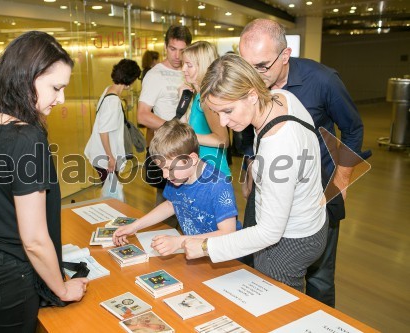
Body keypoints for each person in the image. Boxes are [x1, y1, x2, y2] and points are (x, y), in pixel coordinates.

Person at [0, 31, 88, 332]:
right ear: (27, 77)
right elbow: (34, 239)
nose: (61, 98)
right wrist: (62, 290)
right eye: (56, 87)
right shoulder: (25, 137)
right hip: (4, 271)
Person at [239, 19, 369, 306]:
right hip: (269, 184)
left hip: (318, 190)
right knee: (258, 263)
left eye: (261, 66)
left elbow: (353, 128)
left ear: (285, 56)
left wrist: (342, 180)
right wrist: (247, 174)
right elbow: (248, 132)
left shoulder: (322, 80)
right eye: (246, 66)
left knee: (319, 277)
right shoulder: (248, 81)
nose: (253, 76)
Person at [183, 54, 328, 292]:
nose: (223, 121)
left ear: (251, 95)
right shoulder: (282, 97)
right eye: (217, 112)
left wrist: (206, 247)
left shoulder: (278, 145)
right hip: (313, 222)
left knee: (278, 310)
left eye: (228, 110)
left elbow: (270, 232)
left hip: (289, 243)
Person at [113, 119, 240, 256]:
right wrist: (135, 226)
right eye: (162, 169)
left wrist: (179, 242)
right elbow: (171, 204)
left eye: (169, 168)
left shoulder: (218, 185)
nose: (165, 175)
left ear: (191, 159)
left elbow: (228, 233)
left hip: (223, 257)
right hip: (194, 252)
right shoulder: (177, 176)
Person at [138, 25, 192, 209]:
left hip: (191, 148)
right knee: (167, 206)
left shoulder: (191, 71)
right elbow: (143, 115)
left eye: (182, 50)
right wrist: (174, 130)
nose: (177, 56)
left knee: (190, 205)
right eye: (172, 49)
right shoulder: (155, 75)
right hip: (168, 150)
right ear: (165, 47)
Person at [84, 59, 141, 184]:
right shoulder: (113, 101)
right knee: (112, 194)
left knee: (111, 192)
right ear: (129, 80)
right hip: (105, 157)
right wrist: (110, 157)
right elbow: (103, 131)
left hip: (100, 153)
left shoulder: (108, 90)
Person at [180, 41, 231, 177]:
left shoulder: (207, 98)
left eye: (189, 65)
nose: (183, 69)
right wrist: (182, 102)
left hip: (213, 172)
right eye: (183, 64)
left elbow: (223, 140)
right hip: (200, 169)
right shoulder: (198, 96)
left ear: (202, 66)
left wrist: (186, 137)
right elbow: (189, 130)